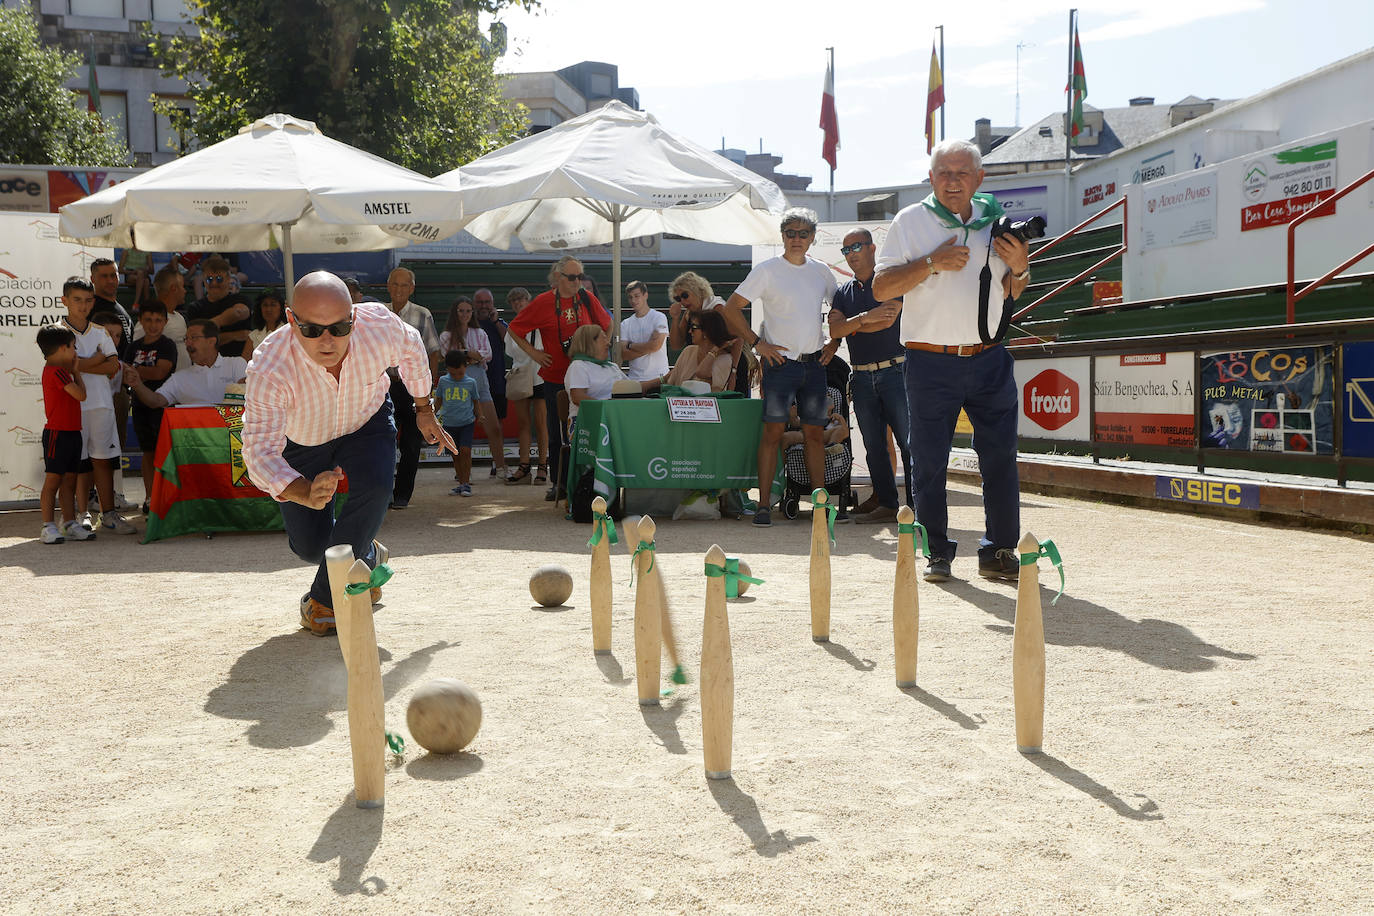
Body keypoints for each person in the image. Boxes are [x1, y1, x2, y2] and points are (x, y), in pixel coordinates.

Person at [241, 270, 454, 637]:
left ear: (353, 316)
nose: (327, 340)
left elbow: (414, 347)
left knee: (376, 488)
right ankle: (366, 551)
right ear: (292, 320)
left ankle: (322, 603)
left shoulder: (379, 327)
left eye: (339, 328)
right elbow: (258, 452)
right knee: (310, 548)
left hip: (366, 423)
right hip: (302, 441)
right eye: (312, 330)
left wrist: (424, 409)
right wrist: (302, 491)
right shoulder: (268, 365)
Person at [872, 138, 1032, 583]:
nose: (952, 181)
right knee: (928, 462)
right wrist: (931, 263)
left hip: (990, 359)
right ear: (930, 178)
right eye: (944, 172)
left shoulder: (995, 221)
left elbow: (1013, 289)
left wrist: (1020, 267)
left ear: (979, 178)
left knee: (1000, 458)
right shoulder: (910, 221)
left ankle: (998, 552)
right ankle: (937, 552)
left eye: (963, 172)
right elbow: (882, 288)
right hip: (930, 362)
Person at [719, 207, 837, 528]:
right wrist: (757, 344)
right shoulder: (767, 270)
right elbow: (730, 309)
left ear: (813, 238)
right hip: (779, 365)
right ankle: (763, 505)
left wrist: (834, 343)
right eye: (790, 233)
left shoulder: (822, 272)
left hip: (813, 365)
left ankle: (821, 506)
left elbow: (840, 310)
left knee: (815, 434)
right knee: (772, 433)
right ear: (782, 236)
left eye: (803, 233)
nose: (796, 239)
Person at [825, 227, 913, 525]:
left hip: (896, 371)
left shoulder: (890, 281)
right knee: (874, 446)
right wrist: (864, 319)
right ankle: (888, 504)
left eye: (856, 247)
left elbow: (886, 322)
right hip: (861, 377)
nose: (851, 254)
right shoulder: (843, 291)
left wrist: (852, 324)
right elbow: (835, 331)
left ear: (873, 248)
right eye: (846, 250)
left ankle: (917, 506)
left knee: (908, 442)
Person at [506, 256, 612, 501]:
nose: (577, 282)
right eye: (571, 277)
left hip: (586, 377)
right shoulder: (543, 302)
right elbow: (514, 328)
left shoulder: (586, 297)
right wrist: (534, 354)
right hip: (555, 377)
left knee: (587, 431)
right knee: (557, 434)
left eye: (579, 277)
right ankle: (559, 484)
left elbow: (608, 324)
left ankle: (591, 480)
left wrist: (600, 351)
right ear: (558, 277)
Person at [61, 278, 136, 535]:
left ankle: (109, 514)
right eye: (77, 300)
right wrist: (95, 360)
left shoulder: (100, 332)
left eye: (87, 300)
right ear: (65, 301)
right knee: (80, 464)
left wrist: (81, 363)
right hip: (73, 407)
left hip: (102, 406)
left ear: (93, 302)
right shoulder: (56, 331)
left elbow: (112, 366)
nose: (83, 306)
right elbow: (61, 366)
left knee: (103, 461)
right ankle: (83, 515)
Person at [383, 266, 442, 509]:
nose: (399, 289)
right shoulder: (379, 314)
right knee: (382, 439)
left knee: (410, 442)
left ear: (412, 288)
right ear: (388, 286)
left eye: (404, 285)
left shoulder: (422, 314)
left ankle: (402, 494)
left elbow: (434, 352)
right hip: (383, 385)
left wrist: (429, 389)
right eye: (395, 284)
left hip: (411, 387)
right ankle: (384, 492)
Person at [440, 294, 508, 480]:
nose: (464, 314)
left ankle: (501, 466)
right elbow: (450, 358)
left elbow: (488, 355)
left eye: (468, 311)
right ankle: (461, 473)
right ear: (455, 313)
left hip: (479, 379)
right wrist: (471, 355)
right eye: (461, 311)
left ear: (472, 313)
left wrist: (467, 355)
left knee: (493, 426)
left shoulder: (479, 333)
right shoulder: (446, 335)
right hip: (456, 382)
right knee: (457, 428)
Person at [35, 325, 92, 544]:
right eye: (73, 347)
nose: (75, 352)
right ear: (62, 348)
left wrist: (75, 371)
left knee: (69, 481)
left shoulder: (62, 371)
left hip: (72, 433)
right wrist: (76, 371)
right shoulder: (55, 371)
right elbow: (81, 394)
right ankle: (47, 526)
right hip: (57, 434)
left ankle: (69, 523)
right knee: (53, 481)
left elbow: (81, 395)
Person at [121, 301, 176, 512]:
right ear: (140, 321)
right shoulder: (134, 346)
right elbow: (125, 375)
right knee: (148, 452)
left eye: (158, 320)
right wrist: (137, 372)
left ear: (165, 322)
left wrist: (135, 370)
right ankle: (150, 497)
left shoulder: (167, 345)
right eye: (148, 320)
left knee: (165, 452)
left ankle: (167, 496)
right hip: (140, 405)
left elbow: (160, 373)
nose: (153, 325)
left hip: (162, 404)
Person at [124, 321, 247, 408]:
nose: (188, 344)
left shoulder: (236, 364)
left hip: (231, 440)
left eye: (193, 338)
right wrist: (137, 385)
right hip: (195, 443)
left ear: (211, 341)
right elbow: (156, 401)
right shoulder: (180, 378)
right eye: (186, 339)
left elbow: (246, 394)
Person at [502, 287, 548, 486]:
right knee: (523, 423)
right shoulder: (513, 326)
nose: (518, 303)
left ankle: (543, 466)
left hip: (540, 375)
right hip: (523, 375)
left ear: (528, 301)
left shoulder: (540, 322)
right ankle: (525, 466)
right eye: (514, 301)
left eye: (521, 300)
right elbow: (510, 352)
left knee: (541, 423)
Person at [564, 325, 659, 418]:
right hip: (588, 422)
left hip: (615, 417)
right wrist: (609, 409)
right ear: (590, 343)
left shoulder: (612, 367)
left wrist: (663, 380)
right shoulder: (579, 365)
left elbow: (633, 389)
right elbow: (577, 397)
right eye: (604, 339)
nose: (608, 343)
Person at [186, 255, 252, 358]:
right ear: (203, 280)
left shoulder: (240, 300)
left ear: (228, 279)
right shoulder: (195, 308)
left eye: (219, 279)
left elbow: (239, 312)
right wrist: (234, 335)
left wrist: (206, 329)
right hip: (207, 365)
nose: (214, 283)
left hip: (238, 364)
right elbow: (198, 342)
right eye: (209, 279)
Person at [436, 349, 481, 496]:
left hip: (467, 422)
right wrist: (432, 416)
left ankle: (466, 484)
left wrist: (479, 415)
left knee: (465, 451)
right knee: (455, 454)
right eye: (453, 374)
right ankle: (461, 483)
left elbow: (476, 400)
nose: (457, 377)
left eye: (460, 373)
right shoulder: (443, 381)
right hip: (449, 424)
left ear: (466, 366)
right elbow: (438, 401)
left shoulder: (470, 383)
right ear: (447, 369)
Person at [134, 265, 192, 372]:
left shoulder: (179, 318)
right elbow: (137, 357)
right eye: (182, 286)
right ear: (173, 288)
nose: (185, 291)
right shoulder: (149, 321)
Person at [665, 309, 737, 391]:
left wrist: (714, 351)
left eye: (693, 327)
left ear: (706, 331)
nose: (689, 331)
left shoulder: (725, 359)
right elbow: (671, 383)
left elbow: (702, 373)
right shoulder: (688, 351)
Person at [618, 280, 669, 382]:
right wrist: (649, 345)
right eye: (630, 297)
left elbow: (656, 346)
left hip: (659, 377)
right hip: (635, 379)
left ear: (645, 295)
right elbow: (624, 355)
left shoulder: (659, 317)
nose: (633, 300)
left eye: (637, 296)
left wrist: (631, 346)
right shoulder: (625, 324)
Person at [473, 287, 509, 430]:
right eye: (480, 302)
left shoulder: (499, 323)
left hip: (496, 380)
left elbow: (510, 341)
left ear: (492, 303)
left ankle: (497, 451)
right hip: (472, 380)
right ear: (474, 304)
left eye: (487, 302)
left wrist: (495, 321)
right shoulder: (468, 323)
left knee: (496, 421)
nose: (483, 306)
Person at [245, 289, 287, 358]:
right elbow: (244, 364)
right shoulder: (253, 336)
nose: (268, 309)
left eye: (273, 305)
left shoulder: (289, 332)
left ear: (281, 308)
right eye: (265, 305)